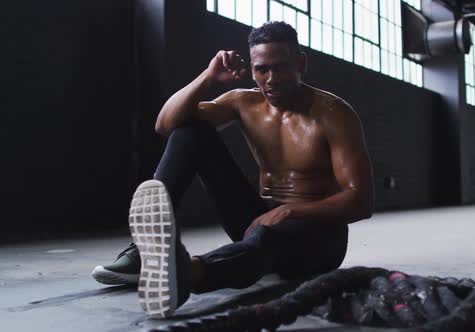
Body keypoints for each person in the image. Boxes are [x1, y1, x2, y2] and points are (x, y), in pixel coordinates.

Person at [92, 21, 374, 318]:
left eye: (280, 68)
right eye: (261, 69)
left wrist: (292, 211)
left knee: (264, 239)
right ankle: (143, 253)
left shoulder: (333, 114)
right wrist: (209, 76)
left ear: (301, 62)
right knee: (190, 131)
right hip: (260, 218)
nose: (271, 79)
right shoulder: (245, 103)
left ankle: (187, 274)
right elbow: (165, 124)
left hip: (320, 235)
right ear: (252, 68)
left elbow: (360, 201)